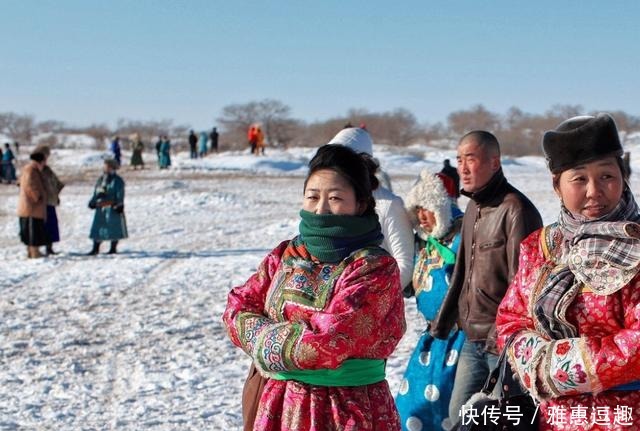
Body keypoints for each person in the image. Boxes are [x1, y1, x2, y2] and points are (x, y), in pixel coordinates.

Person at [223, 144, 406, 431]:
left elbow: (331, 341)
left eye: (335, 198)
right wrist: (281, 339)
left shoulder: (373, 268)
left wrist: (260, 337)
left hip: (344, 409)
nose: (321, 209)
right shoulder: (286, 255)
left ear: (360, 203)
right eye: (312, 197)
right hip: (278, 406)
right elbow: (237, 307)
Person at [496, 113, 640, 429]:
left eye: (607, 176)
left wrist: (558, 367)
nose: (594, 191)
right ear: (557, 185)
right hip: (552, 416)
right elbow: (511, 318)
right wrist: (534, 362)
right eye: (579, 179)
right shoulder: (539, 247)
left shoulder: (636, 244)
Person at [429, 130, 543, 426]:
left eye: (471, 159)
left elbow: (524, 285)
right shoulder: (472, 209)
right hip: (471, 339)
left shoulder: (517, 210)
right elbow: (462, 275)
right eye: (459, 159)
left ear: (494, 163)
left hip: (502, 345)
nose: (463, 168)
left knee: (503, 419)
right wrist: (442, 323)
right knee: (459, 417)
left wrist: (500, 337)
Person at [396, 170, 466, 431]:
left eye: (428, 208)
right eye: (418, 210)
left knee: (451, 407)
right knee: (410, 407)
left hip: (460, 338)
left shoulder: (462, 237)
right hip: (431, 339)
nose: (422, 216)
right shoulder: (421, 245)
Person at [328, 126, 415, 289]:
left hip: (375, 304)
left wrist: (373, 300)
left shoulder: (389, 204)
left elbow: (405, 264)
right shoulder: (334, 202)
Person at [87, 159, 128, 255]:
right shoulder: (101, 179)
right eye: (104, 166)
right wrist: (92, 202)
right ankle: (95, 248)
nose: (105, 168)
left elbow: (120, 193)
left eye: (107, 166)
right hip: (100, 208)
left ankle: (113, 248)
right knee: (98, 227)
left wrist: (119, 204)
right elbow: (96, 192)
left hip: (111, 207)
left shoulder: (118, 181)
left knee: (113, 227)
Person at [17, 150, 48, 258]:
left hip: (32, 207)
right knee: (33, 232)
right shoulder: (31, 170)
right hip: (31, 208)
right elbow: (30, 185)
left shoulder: (31, 169)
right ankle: (34, 252)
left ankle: (33, 251)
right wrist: (38, 197)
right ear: (40, 161)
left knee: (34, 231)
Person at [35, 145, 65, 255]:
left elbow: (55, 183)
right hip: (41, 202)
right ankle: (38, 248)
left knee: (51, 225)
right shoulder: (34, 169)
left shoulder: (47, 170)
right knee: (42, 225)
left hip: (50, 201)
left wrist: (56, 193)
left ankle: (49, 247)